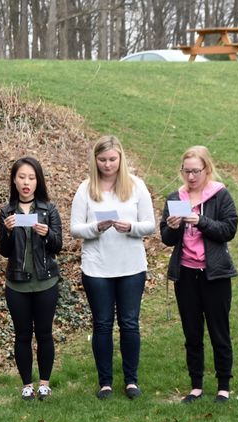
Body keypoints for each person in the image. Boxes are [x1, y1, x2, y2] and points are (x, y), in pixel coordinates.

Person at [70, 135, 155, 400]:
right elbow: (75, 228)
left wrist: (131, 228)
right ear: (95, 160)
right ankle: (105, 382)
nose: (108, 165)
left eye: (112, 159)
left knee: (129, 324)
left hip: (130, 266)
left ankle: (131, 380)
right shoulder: (86, 189)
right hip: (97, 268)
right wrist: (96, 228)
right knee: (103, 324)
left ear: (121, 159)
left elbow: (150, 225)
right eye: (103, 160)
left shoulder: (136, 186)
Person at [160, 146, 238, 403]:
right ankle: (196, 385)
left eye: (196, 171)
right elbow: (167, 238)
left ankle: (223, 386)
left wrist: (200, 221)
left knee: (219, 331)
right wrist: (173, 227)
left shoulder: (220, 195)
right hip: (186, 275)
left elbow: (229, 229)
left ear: (207, 169)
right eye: (186, 171)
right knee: (192, 333)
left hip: (214, 275)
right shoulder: (176, 197)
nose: (191, 176)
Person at [0, 157, 63, 401]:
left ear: (38, 181)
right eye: (22, 177)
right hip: (17, 283)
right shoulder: (7, 211)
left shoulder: (49, 209)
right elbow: (4, 251)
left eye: (31, 178)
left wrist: (46, 234)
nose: (26, 182)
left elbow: (59, 245)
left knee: (44, 333)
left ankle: (44, 383)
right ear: (14, 180)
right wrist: (7, 231)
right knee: (22, 334)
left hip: (46, 280)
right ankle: (27, 384)